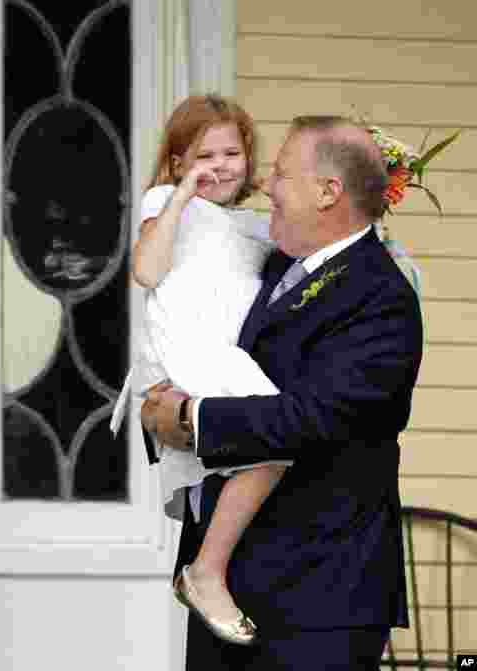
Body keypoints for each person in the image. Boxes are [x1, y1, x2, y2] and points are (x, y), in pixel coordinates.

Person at [142, 116, 421, 670]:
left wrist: (195, 419)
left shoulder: (381, 296)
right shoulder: (270, 265)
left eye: (283, 173)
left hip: (321, 594)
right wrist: (163, 409)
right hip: (232, 585)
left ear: (328, 191)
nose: (267, 185)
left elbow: (315, 417)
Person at [111, 95, 290, 646]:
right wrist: (181, 193)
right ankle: (206, 570)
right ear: (176, 163)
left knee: (266, 446)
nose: (218, 165)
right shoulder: (168, 201)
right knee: (276, 434)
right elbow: (144, 271)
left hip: (222, 358)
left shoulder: (253, 225)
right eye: (203, 155)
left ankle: (209, 566)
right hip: (184, 350)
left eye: (231, 152)